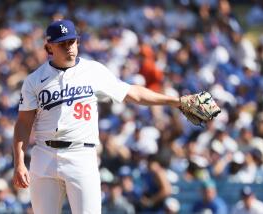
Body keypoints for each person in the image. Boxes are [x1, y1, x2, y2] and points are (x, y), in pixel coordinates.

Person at [12, 19, 181, 214]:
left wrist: (175, 101)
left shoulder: (93, 71)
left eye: (71, 42)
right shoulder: (34, 80)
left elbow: (133, 93)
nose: (69, 48)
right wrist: (19, 162)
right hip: (44, 155)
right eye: (62, 44)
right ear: (49, 47)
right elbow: (23, 123)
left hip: (81, 155)